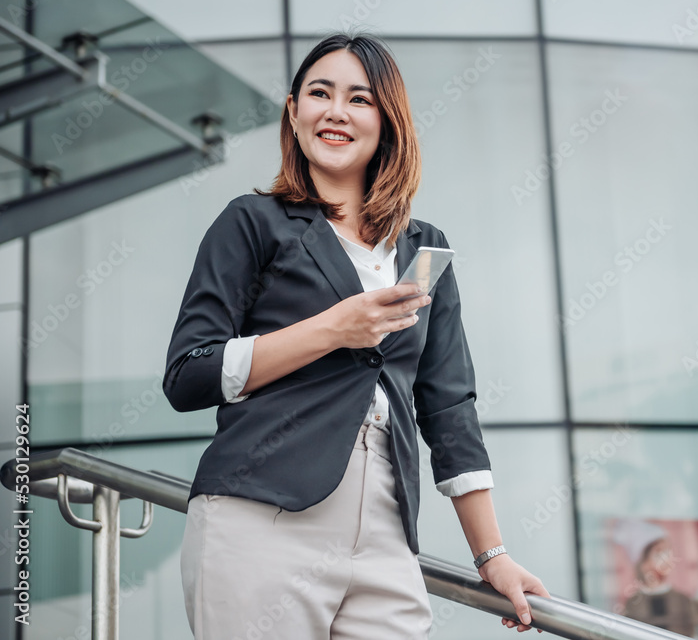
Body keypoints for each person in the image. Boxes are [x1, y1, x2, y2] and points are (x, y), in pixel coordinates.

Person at [163, 32, 548, 638]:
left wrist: (491, 555)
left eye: (359, 99)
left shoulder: (423, 248)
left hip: (387, 538)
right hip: (260, 518)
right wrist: (331, 329)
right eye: (319, 93)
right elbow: (188, 374)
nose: (336, 111)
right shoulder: (252, 222)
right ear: (294, 111)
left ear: (387, 121)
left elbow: (448, 405)